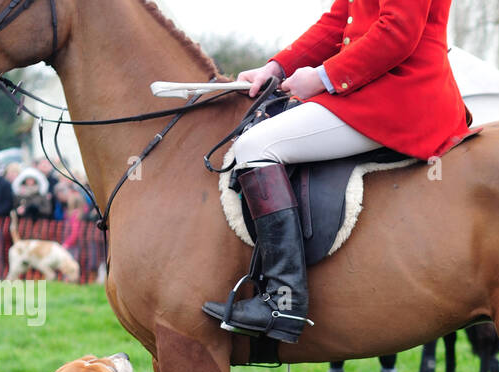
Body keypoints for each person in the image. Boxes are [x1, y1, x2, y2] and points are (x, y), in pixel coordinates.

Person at [201, 0, 472, 345]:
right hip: (370, 88)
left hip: (401, 95)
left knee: (256, 146)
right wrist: (277, 67)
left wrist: (322, 77)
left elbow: (398, 32)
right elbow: (337, 22)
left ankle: (284, 300)